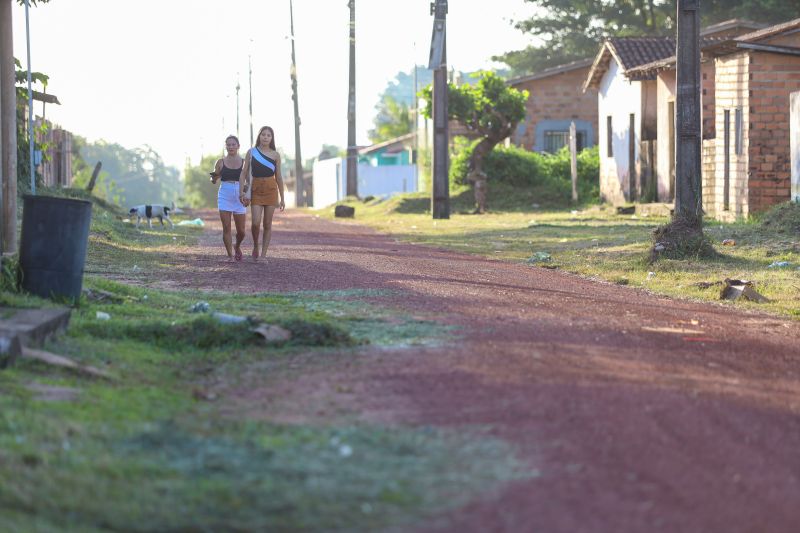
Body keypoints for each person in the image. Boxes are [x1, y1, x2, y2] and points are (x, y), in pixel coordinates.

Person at [239, 126, 285, 260]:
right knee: (255, 222)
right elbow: (243, 172)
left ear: (272, 138)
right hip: (256, 190)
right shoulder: (251, 152)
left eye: (268, 135)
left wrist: (282, 198)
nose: (265, 137)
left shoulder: (275, 155)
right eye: (263, 135)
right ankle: (255, 245)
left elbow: (279, 177)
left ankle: (263, 255)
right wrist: (241, 191)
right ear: (259, 136)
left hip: (271, 190)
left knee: (267, 224)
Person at [211, 135, 247, 261]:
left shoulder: (244, 163)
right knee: (226, 227)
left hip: (239, 194)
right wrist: (214, 177)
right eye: (228, 144)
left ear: (238, 146)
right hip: (224, 194)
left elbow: (248, 180)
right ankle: (230, 256)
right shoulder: (220, 162)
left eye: (233, 144)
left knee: (241, 231)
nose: (231, 147)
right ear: (225, 146)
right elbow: (214, 180)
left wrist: (246, 194)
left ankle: (237, 246)